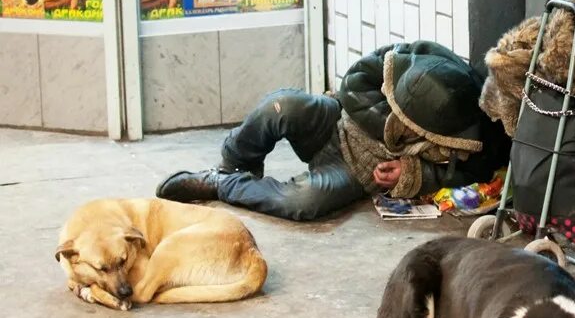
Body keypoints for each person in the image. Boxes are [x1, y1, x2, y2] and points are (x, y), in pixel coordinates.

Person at [156, 41, 512, 222]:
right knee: (281, 106)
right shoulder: (412, 61)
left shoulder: (475, 128)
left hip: (355, 173)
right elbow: (353, 84)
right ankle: (232, 166)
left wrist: (412, 173)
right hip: (336, 122)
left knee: (304, 202)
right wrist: (382, 121)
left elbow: (474, 169)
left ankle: (222, 185)